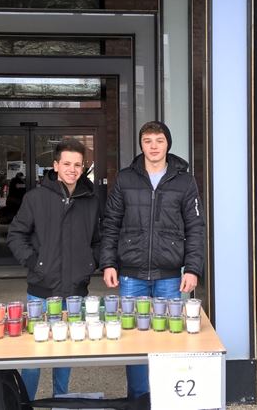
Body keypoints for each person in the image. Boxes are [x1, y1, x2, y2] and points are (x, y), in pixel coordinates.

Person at [100, 120, 205, 399]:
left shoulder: (184, 180)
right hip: (131, 275)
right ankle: (138, 398)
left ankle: (166, 397)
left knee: (169, 338)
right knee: (133, 340)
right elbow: (111, 223)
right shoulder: (125, 178)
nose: (154, 146)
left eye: (159, 140)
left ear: (168, 143)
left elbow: (196, 227)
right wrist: (109, 262)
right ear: (141, 145)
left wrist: (192, 268)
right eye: (148, 141)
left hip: (170, 276)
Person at [7, 138, 101, 400]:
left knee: (66, 352)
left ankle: (62, 401)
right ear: (56, 165)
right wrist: (36, 263)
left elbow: (98, 240)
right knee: (35, 356)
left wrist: (89, 262)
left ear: (84, 168)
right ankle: (27, 402)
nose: (72, 169)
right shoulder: (36, 198)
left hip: (75, 291)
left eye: (78, 165)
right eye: (67, 163)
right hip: (41, 291)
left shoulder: (91, 200)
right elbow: (16, 235)